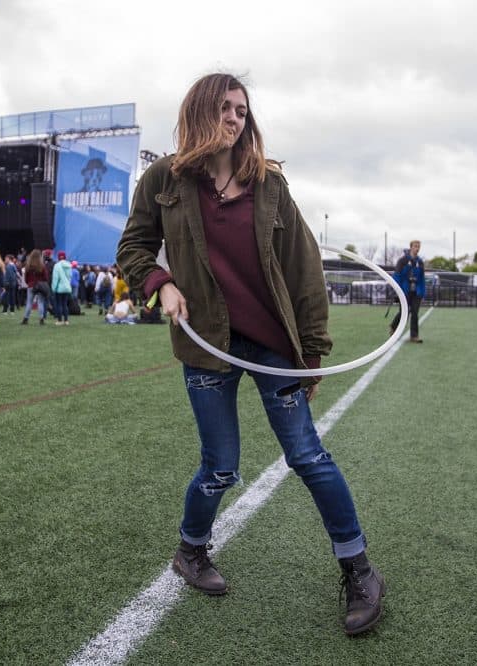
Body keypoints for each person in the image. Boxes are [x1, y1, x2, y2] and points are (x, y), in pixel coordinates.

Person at [116, 72, 383, 636]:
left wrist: (312, 353)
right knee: (220, 466)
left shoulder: (269, 185)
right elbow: (133, 247)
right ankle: (191, 552)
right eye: (225, 107)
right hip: (206, 345)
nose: (235, 118)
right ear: (199, 112)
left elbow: (305, 270)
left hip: (272, 344)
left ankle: (360, 570)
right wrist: (161, 281)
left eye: (242, 110)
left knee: (309, 457)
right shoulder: (163, 179)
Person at [390, 240, 426, 342]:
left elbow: (422, 278)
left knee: (415, 312)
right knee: (404, 312)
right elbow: (397, 275)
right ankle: (394, 327)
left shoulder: (420, 262)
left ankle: (414, 336)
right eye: (415, 246)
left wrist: (422, 292)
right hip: (404, 291)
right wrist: (397, 290)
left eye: (418, 246)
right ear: (411, 247)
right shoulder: (403, 260)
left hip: (416, 292)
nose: (417, 248)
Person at [20, 249, 48, 325]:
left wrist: (29, 283)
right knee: (40, 302)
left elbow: (25, 277)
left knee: (29, 303)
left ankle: (26, 319)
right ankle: (41, 319)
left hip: (31, 286)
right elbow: (46, 277)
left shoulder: (28, 266)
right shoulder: (42, 266)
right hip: (40, 286)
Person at [50, 250, 73, 325]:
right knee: (65, 304)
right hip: (67, 287)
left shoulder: (57, 265)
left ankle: (60, 320)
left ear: (58, 257)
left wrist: (54, 288)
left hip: (59, 288)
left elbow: (55, 278)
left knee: (59, 304)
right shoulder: (69, 265)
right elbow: (70, 277)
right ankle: (66, 320)